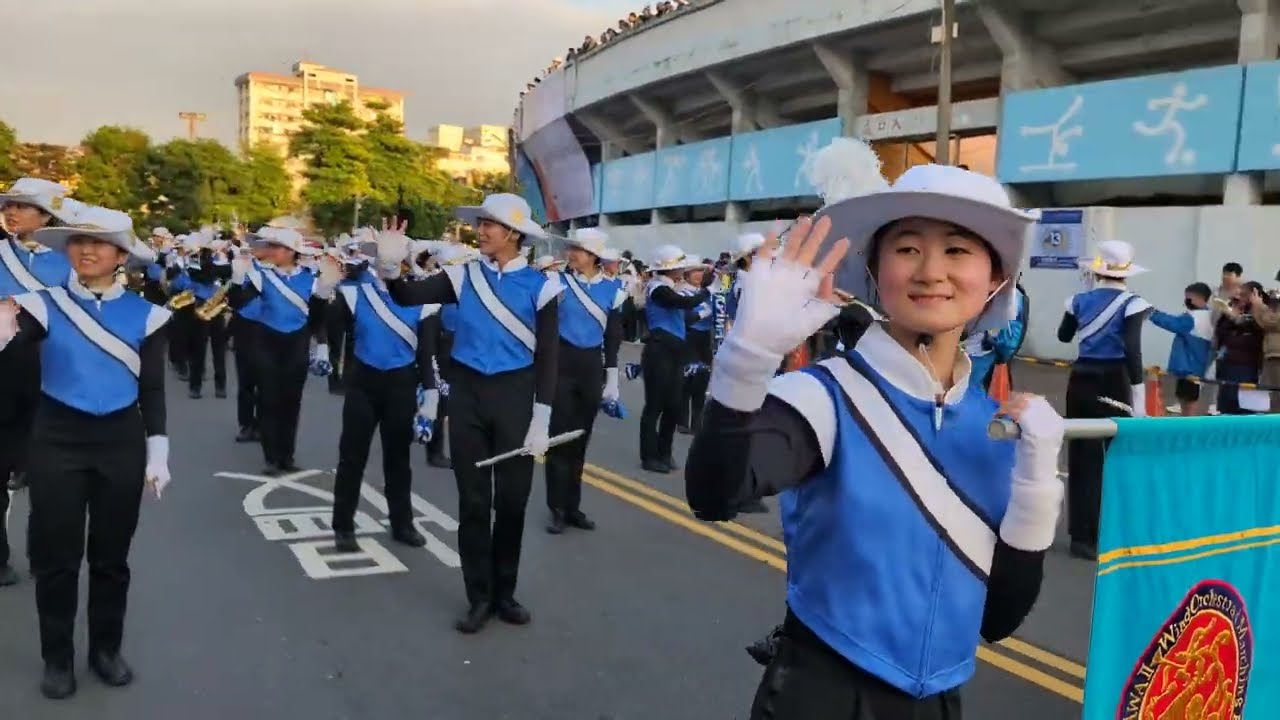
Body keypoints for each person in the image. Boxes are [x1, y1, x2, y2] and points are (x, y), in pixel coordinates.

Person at [685, 162, 1064, 719]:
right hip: (820, 697)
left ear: (995, 281)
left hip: (939, 704)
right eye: (908, 248)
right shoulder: (823, 396)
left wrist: (1036, 485)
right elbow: (714, 495)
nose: (931, 271)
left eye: (958, 251)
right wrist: (747, 360)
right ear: (875, 268)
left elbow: (998, 620)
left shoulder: (999, 427)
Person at [0, 205, 174, 699]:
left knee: (111, 558)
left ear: (121, 254)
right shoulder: (39, 305)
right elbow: (7, 347)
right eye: (76, 241)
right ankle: (57, 658)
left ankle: (105, 649)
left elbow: (154, 391)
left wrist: (157, 452)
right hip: (56, 440)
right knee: (57, 558)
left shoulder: (150, 314)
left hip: (120, 442)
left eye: (99, 243)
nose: (87, 249)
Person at [375, 194, 562, 634]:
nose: (480, 231)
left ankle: (505, 593)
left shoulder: (544, 286)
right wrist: (389, 264)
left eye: (489, 225)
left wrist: (542, 418)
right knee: (474, 503)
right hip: (469, 397)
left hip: (516, 398)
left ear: (513, 234)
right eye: (480, 223)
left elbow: (550, 357)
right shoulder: (461, 276)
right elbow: (405, 295)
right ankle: (478, 597)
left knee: (512, 504)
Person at [328, 247, 437, 554]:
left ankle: (402, 523)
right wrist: (323, 291)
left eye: (398, 259)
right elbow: (329, 329)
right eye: (386, 259)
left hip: (402, 384)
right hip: (363, 381)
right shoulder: (353, 293)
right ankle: (343, 525)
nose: (391, 265)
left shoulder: (422, 299)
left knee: (398, 459)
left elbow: (427, 353)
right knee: (351, 456)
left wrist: (430, 394)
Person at [1057, 240, 1151, 560]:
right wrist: (1139, 399)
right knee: (1116, 457)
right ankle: (1111, 533)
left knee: (1082, 458)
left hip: (1080, 381)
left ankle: (1080, 538)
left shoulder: (1077, 300)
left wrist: (1084, 304)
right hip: (1114, 382)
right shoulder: (1133, 303)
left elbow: (1063, 336)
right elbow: (1133, 351)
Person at [227, 226, 338, 475]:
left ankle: (287, 456)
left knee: (291, 402)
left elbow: (317, 319)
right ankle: (271, 457)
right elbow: (238, 303)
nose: (271, 251)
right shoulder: (262, 276)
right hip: (266, 342)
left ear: (291, 252)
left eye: (276, 247)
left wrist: (323, 293)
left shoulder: (310, 279)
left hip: (296, 343)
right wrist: (236, 279)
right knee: (268, 400)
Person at [543, 228, 626, 534]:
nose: (571, 254)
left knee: (580, 440)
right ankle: (556, 508)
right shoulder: (555, 283)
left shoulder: (614, 291)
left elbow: (613, 338)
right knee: (558, 440)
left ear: (593, 256)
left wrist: (612, 380)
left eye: (577, 249)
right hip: (561, 365)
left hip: (592, 366)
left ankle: (573, 507)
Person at [638, 245, 712, 473]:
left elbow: (685, 317)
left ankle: (665, 452)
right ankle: (649, 456)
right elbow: (681, 303)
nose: (683, 270)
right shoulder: (657, 287)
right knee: (655, 406)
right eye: (679, 267)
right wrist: (706, 291)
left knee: (674, 405)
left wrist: (703, 312)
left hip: (675, 352)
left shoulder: (672, 289)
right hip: (659, 351)